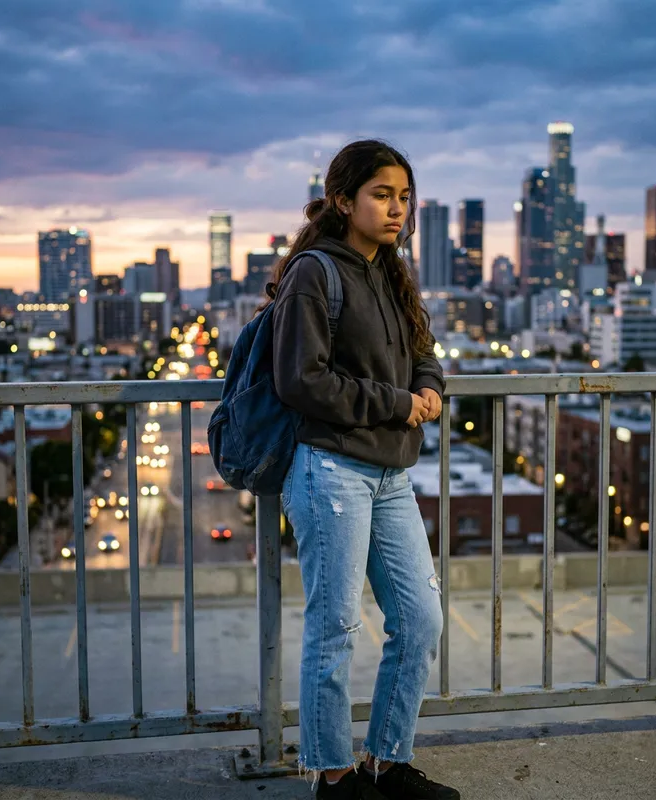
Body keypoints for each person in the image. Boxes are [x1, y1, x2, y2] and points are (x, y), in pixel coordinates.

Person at [268, 140, 459, 800]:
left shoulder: (390, 274)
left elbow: (424, 352)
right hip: (330, 471)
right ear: (344, 201)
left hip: (389, 473)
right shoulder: (314, 274)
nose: (397, 208)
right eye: (383, 194)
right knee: (336, 630)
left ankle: (387, 761)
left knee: (422, 619)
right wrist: (399, 403)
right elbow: (302, 380)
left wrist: (430, 386)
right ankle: (332, 774)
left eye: (405, 196)